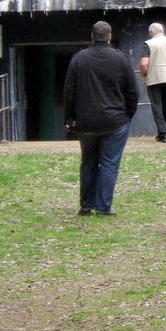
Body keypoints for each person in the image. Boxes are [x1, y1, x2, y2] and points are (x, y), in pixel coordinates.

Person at [63, 21, 139, 217]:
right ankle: (103, 207)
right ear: (110, 36)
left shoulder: (79, 59)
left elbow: (69, 91)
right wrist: (127, 115)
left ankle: (86, 205)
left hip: (86, 121)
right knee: (109, 163)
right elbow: (132, 91)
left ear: (92, 36)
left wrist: (70, 117)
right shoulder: (121, 59)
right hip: (115, 120)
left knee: (88, 161)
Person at [140, 23, 166, 142]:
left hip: (154, 77)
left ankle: (163, 133)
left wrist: (144, 75)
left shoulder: (148, 44)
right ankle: (164, 131)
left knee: (156, 105)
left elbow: (144, 63)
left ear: (152, 32)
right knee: (165, 104)